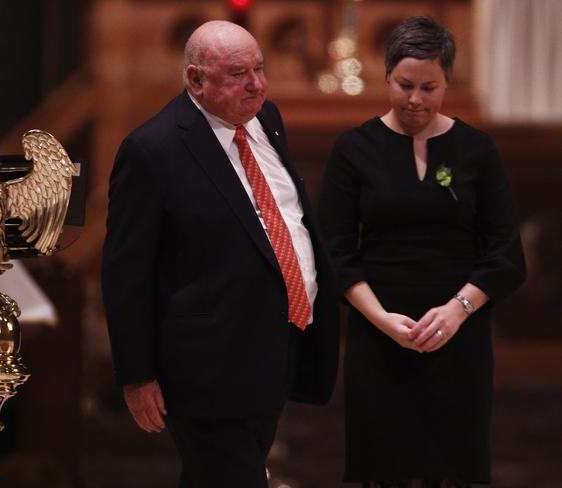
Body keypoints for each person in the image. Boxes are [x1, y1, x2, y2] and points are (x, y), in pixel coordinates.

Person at [101, 20, 339, 488]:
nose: (256, 84)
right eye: (237, 74)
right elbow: (125, 273)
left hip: (274, 349)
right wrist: (137, 375)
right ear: (195, 79)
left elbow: (282, 220)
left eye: (259, 68)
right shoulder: (152, 150)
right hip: (204, 367)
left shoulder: (266, 119)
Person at [319, 16, 526, 488]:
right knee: (383, 468)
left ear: (448, 81)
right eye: (404, 85)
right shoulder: (354, 149)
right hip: (379, 335)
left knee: (453, 467)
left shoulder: (477, 150)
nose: (415, 99)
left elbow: (506, 254)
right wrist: (382, 320)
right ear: (386, 75)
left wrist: (458, 310)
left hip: (460, 338)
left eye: (429, 87)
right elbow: (336, 252)